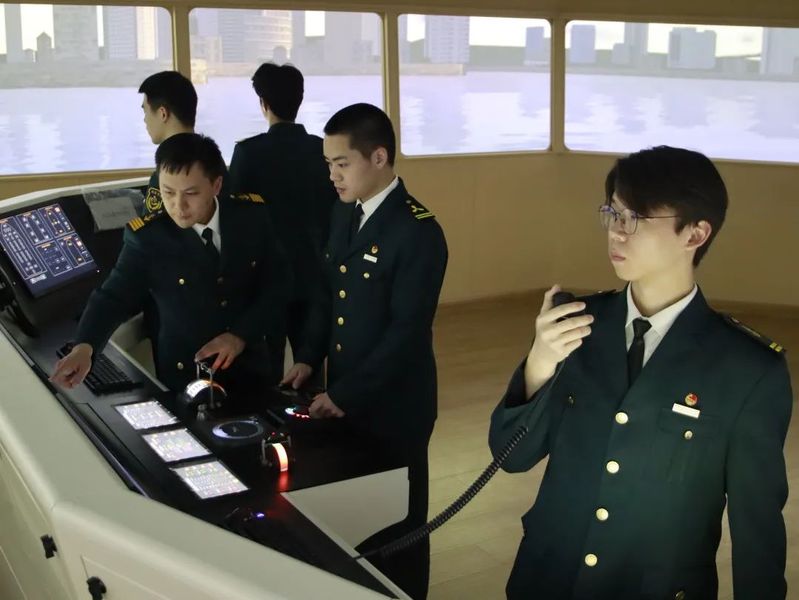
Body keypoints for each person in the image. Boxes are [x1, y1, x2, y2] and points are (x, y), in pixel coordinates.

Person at [489, 146, 793, 600]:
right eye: (613, 213)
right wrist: (539, 362)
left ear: (695, 233)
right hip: (547, 579)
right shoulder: (576, 326)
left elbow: (758, 530)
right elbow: (510, 457)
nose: (616, 231)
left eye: (635, 218)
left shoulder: (748, 369)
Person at [282, 103, 448, 600]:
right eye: (328, 164)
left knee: (402, 525)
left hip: (395, 405)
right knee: (359, 513)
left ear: (379, 157)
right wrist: (307, 357)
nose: (332, 175)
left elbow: (406, 333)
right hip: (345, 395)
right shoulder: (344, 212)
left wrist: (346, 394)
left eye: (342, 163)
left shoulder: (418, 231)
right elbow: (327, 296)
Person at [51, 133, 289, 395]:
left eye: (191, 193)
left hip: (249, 370)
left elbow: (278, 285)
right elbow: (113, 297)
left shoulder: (251, 217)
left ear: (217, 185)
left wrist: (240, 336)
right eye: (168, 192)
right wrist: (85, 346)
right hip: (186, 378)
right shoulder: (149, 238)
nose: (178, 206)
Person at [228, 63, 337, 381]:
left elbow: (235, 215)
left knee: (267, 368)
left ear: (263, 103)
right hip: (314, 273)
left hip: (266, 278)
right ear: (300, 99)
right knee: (309, 362)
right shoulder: (321, 150)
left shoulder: (248, 153)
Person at [138, 71, 198, 215]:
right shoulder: (214, 161)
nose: (144, 120)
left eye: (145, 112)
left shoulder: (167, 174)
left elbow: (153, 227)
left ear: (162, 114)